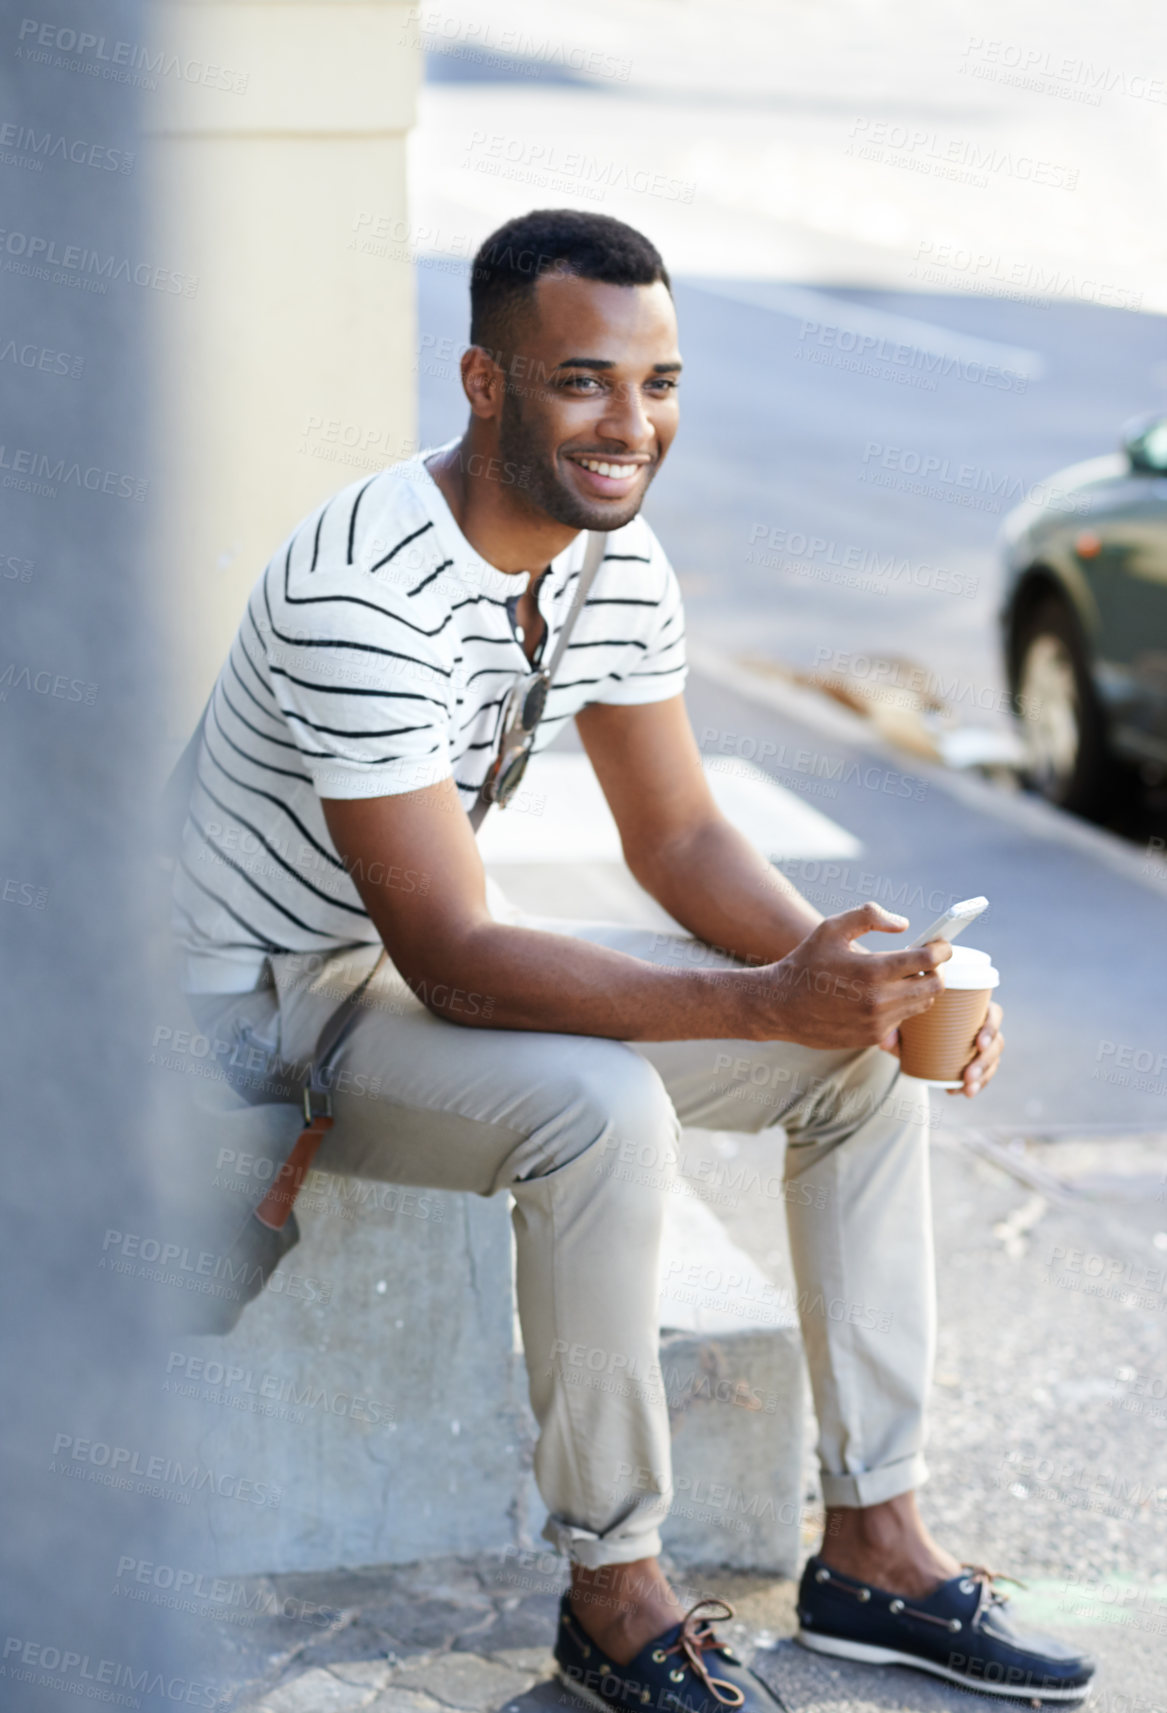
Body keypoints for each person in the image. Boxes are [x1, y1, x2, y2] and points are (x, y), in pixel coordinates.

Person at [174, 210, 1093, 1711]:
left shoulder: (617, 557)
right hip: (253, 1002)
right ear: (485, 382)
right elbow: (454, 957)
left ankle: (875, 1545)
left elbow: (676, 838)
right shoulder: (365, 590)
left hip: (394, 957)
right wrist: (761, 996)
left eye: (660, 382)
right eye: (584, 381)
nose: (632, 425)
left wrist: (846, 978)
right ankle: (614, 1592)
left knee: (855, 1069)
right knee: (599, 1112)